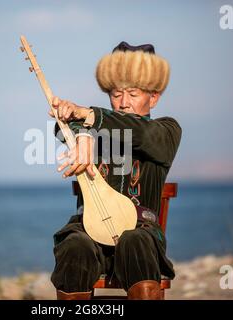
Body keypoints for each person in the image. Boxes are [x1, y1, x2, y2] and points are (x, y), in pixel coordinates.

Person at [49, 41, 182, 300]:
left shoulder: (167, 131)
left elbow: (139, 132)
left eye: (133, 94)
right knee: (74, 245)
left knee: (135, 240)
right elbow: (61, 128)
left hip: (140, 237)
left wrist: (90, 119)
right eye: (116, 94)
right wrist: (82, 135)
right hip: (90, 234)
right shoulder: (95, 125)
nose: (122, 103)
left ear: (153, 97)